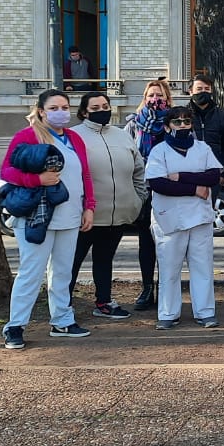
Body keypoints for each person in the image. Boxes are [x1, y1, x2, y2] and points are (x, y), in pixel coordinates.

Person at [0, 89, 96, 350]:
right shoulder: (28, 136)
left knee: (63, 271)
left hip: (70, 214)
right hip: (37, 216)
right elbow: (7, 171)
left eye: (64, 107)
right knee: (31, 271)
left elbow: (85, 174)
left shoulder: (74, 138)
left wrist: (89, 206)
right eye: (54, 108)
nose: (60, 112)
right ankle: (15, 326)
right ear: (41, 111)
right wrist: (36, 180)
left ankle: (62, 320)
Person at [68, 91, 146, 320]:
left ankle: (104, 301)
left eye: (105, 106)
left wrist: (137, 199)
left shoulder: (122, 136)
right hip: (86, 216)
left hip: (118, 214)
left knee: (104, 259)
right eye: (95, 108)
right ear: (84, 112)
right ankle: (63, 306)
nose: (102, 111)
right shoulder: (73, 136)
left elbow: (138, 170)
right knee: (71, 262)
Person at [146, 106, 223, 329]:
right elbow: (159, 184)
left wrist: (180, 176)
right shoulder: (159, 151)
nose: (182, 125)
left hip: (200, 216)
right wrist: (194, 188)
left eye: (186, 121)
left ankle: (205, 312)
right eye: (177, 122)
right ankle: (168, 313)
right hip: (169, 218)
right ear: (167, 126)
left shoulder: (202, 148)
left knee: (202, 266)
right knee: (169, 268)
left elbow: (213, 177)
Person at [125, 79, 173, 311]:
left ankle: (166, 289)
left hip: (168, 189)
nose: (155, 99)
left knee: (168, 243)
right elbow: (126, 155)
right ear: (144, 98)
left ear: (167, 99)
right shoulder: (134, 124)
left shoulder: (174, 123)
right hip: (144, 189)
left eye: (160, 95)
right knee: (146, 243)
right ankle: (146, 289)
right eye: (151, 95)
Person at [187, 74, 224, 185]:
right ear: (191, 91)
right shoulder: (183, 116)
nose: (203, 92)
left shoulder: (222, 116)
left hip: (214, 176)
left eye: (207, 89)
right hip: (189, 176)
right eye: (199, 89)